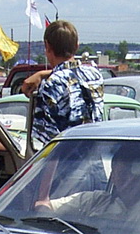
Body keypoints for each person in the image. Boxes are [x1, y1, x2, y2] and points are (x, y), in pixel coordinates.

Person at [21, 20, 104, 150]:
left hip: (66, 164)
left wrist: (43, 75)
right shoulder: (95, 75)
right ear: (77, 46)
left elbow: (49, 143)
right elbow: (72, 72)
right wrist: (43, 74)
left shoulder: (51, 86)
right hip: (94, 159)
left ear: (47, 46)